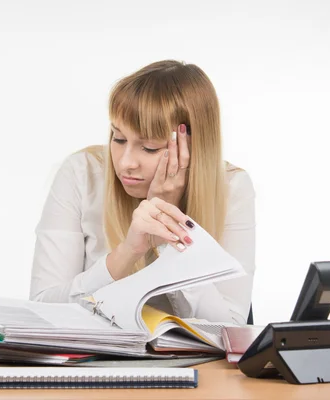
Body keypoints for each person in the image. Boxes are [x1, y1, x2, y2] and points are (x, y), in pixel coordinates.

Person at [29, 60, 255, 325]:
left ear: (195, 147)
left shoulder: (233, 187)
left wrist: (170, 235)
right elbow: (41, 311)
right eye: (118, 138)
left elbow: (232, 327)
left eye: (149, 148)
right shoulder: (83, 173)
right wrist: (127, 252)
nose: (125, 163)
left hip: (194, 366)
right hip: (94, 363)